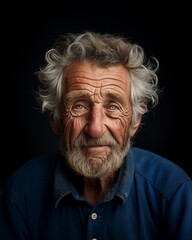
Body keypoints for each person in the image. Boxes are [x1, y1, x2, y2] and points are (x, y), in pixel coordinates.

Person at [0, 31, 191, 240]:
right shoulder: (19, 194)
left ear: (135, 120)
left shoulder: (174, 191)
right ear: (55, 119)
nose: (95, 128)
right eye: (79, 106)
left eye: (113, 107)